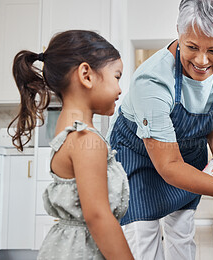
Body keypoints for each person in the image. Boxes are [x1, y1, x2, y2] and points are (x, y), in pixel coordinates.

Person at [108, 0, 213, 259]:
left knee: (182, 233)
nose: (201, 60)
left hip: (186, 155)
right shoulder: (152, 81)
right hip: (139, 158)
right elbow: (169, 165)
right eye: (192, 47)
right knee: (143, 238)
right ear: (178, 31)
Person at [9, 30, 134, 260]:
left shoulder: (67, 132)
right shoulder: (85, 139)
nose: (119, 89)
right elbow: (98, 217)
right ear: (86, 74)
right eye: (117, 77)